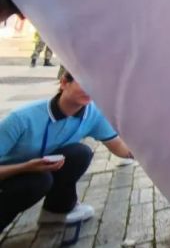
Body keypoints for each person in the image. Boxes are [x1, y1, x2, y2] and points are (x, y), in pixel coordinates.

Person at [0, 70, 133, 230]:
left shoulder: (93, 114)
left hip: (38, 170)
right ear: (64, 82)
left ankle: (56, 210)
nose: (90, 89)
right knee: (39, 181)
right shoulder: (22, 118)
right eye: (84, 83)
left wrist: (152, 152)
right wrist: (26, 167)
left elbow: (119, 147)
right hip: (9, 174)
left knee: (80, 153)